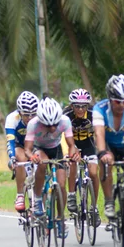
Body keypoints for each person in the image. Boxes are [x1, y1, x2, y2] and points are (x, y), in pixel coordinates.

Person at [24, 98, 80, 238]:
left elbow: (71, 144)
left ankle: (61, 219)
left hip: (56, 149)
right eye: (48, 126)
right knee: (42, 164)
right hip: (39, 148)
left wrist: (72, 153)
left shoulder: (65, 121)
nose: (53, 128)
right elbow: (27, 149)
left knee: (61, 185)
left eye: (55, 124)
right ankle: (37, 200)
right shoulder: (33, 124)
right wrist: (32, 157)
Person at [94, 74, 124, 221]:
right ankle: (109, 201)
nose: (122, 105)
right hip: (109, 145)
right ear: (110, 99)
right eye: (117, 102)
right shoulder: (99, 109)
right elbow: (99, 134)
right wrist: (102, 153)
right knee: (105, 163)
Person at [63, 89, 100, 225]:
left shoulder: (93, 114)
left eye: (83, 106)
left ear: (87, 106)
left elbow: (99, 133)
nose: (80, 109)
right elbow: (60, 134)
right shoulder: (66, 115)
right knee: (72, 162)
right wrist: (69, 151)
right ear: (72, 106)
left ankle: (94, 208)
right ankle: (71, 195)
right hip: (71, 143)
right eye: (77, 106)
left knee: (94, 173)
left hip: (89, 145)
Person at [5, 91, 39, 212]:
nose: (30, 118)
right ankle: (20, 194)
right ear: (19, 112)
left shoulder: (40, 117)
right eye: (26, 115)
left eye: (33, 114)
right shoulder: (12, 118)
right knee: (22, 160)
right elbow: (10, 141)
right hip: (19, 145)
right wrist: (12, 158)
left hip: (36, 144)